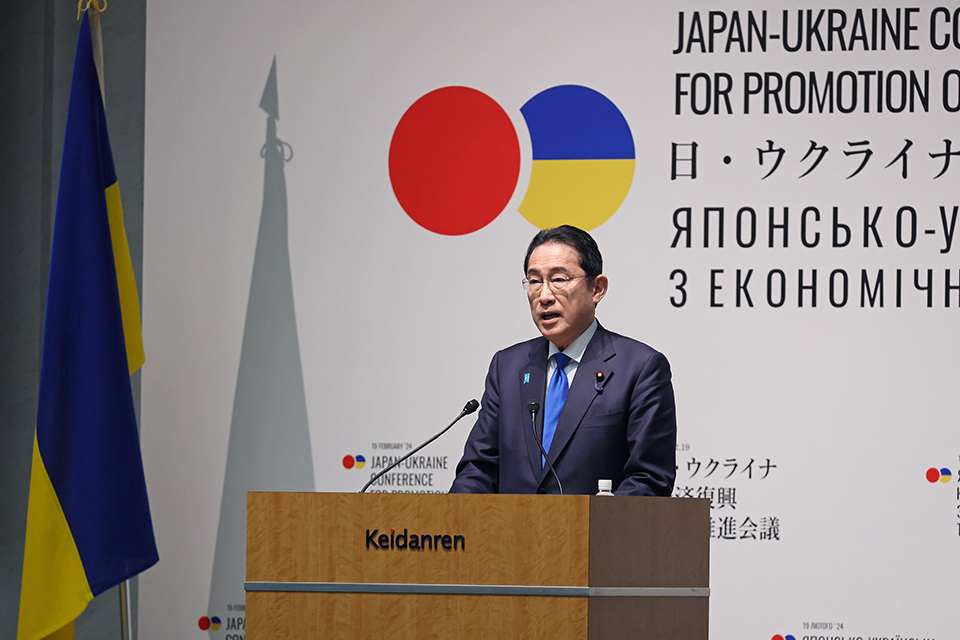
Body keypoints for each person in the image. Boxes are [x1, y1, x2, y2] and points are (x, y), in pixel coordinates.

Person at [449, 225, 677, 496]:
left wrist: (587, 528)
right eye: (534, 281)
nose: (544, 296)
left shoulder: (640, 368)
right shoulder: (507, 367)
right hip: (508, 535)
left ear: (597, 288)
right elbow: (478, 468)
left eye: (558, 280)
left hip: (593, 537)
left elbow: (649, 479)